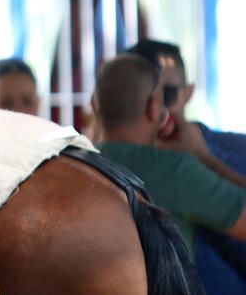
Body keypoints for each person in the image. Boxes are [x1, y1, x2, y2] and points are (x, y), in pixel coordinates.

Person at [94, 54, 246, 255]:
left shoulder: (70, 164)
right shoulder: (177, 170)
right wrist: (203, 156)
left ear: (94, 105)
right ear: (154, 107)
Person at [127, 39, 246, 290]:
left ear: (188, 93)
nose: (157, 109)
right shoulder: (115, 167)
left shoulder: (238, 151)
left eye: (167, 95)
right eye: (147, 96)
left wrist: (205, 159)